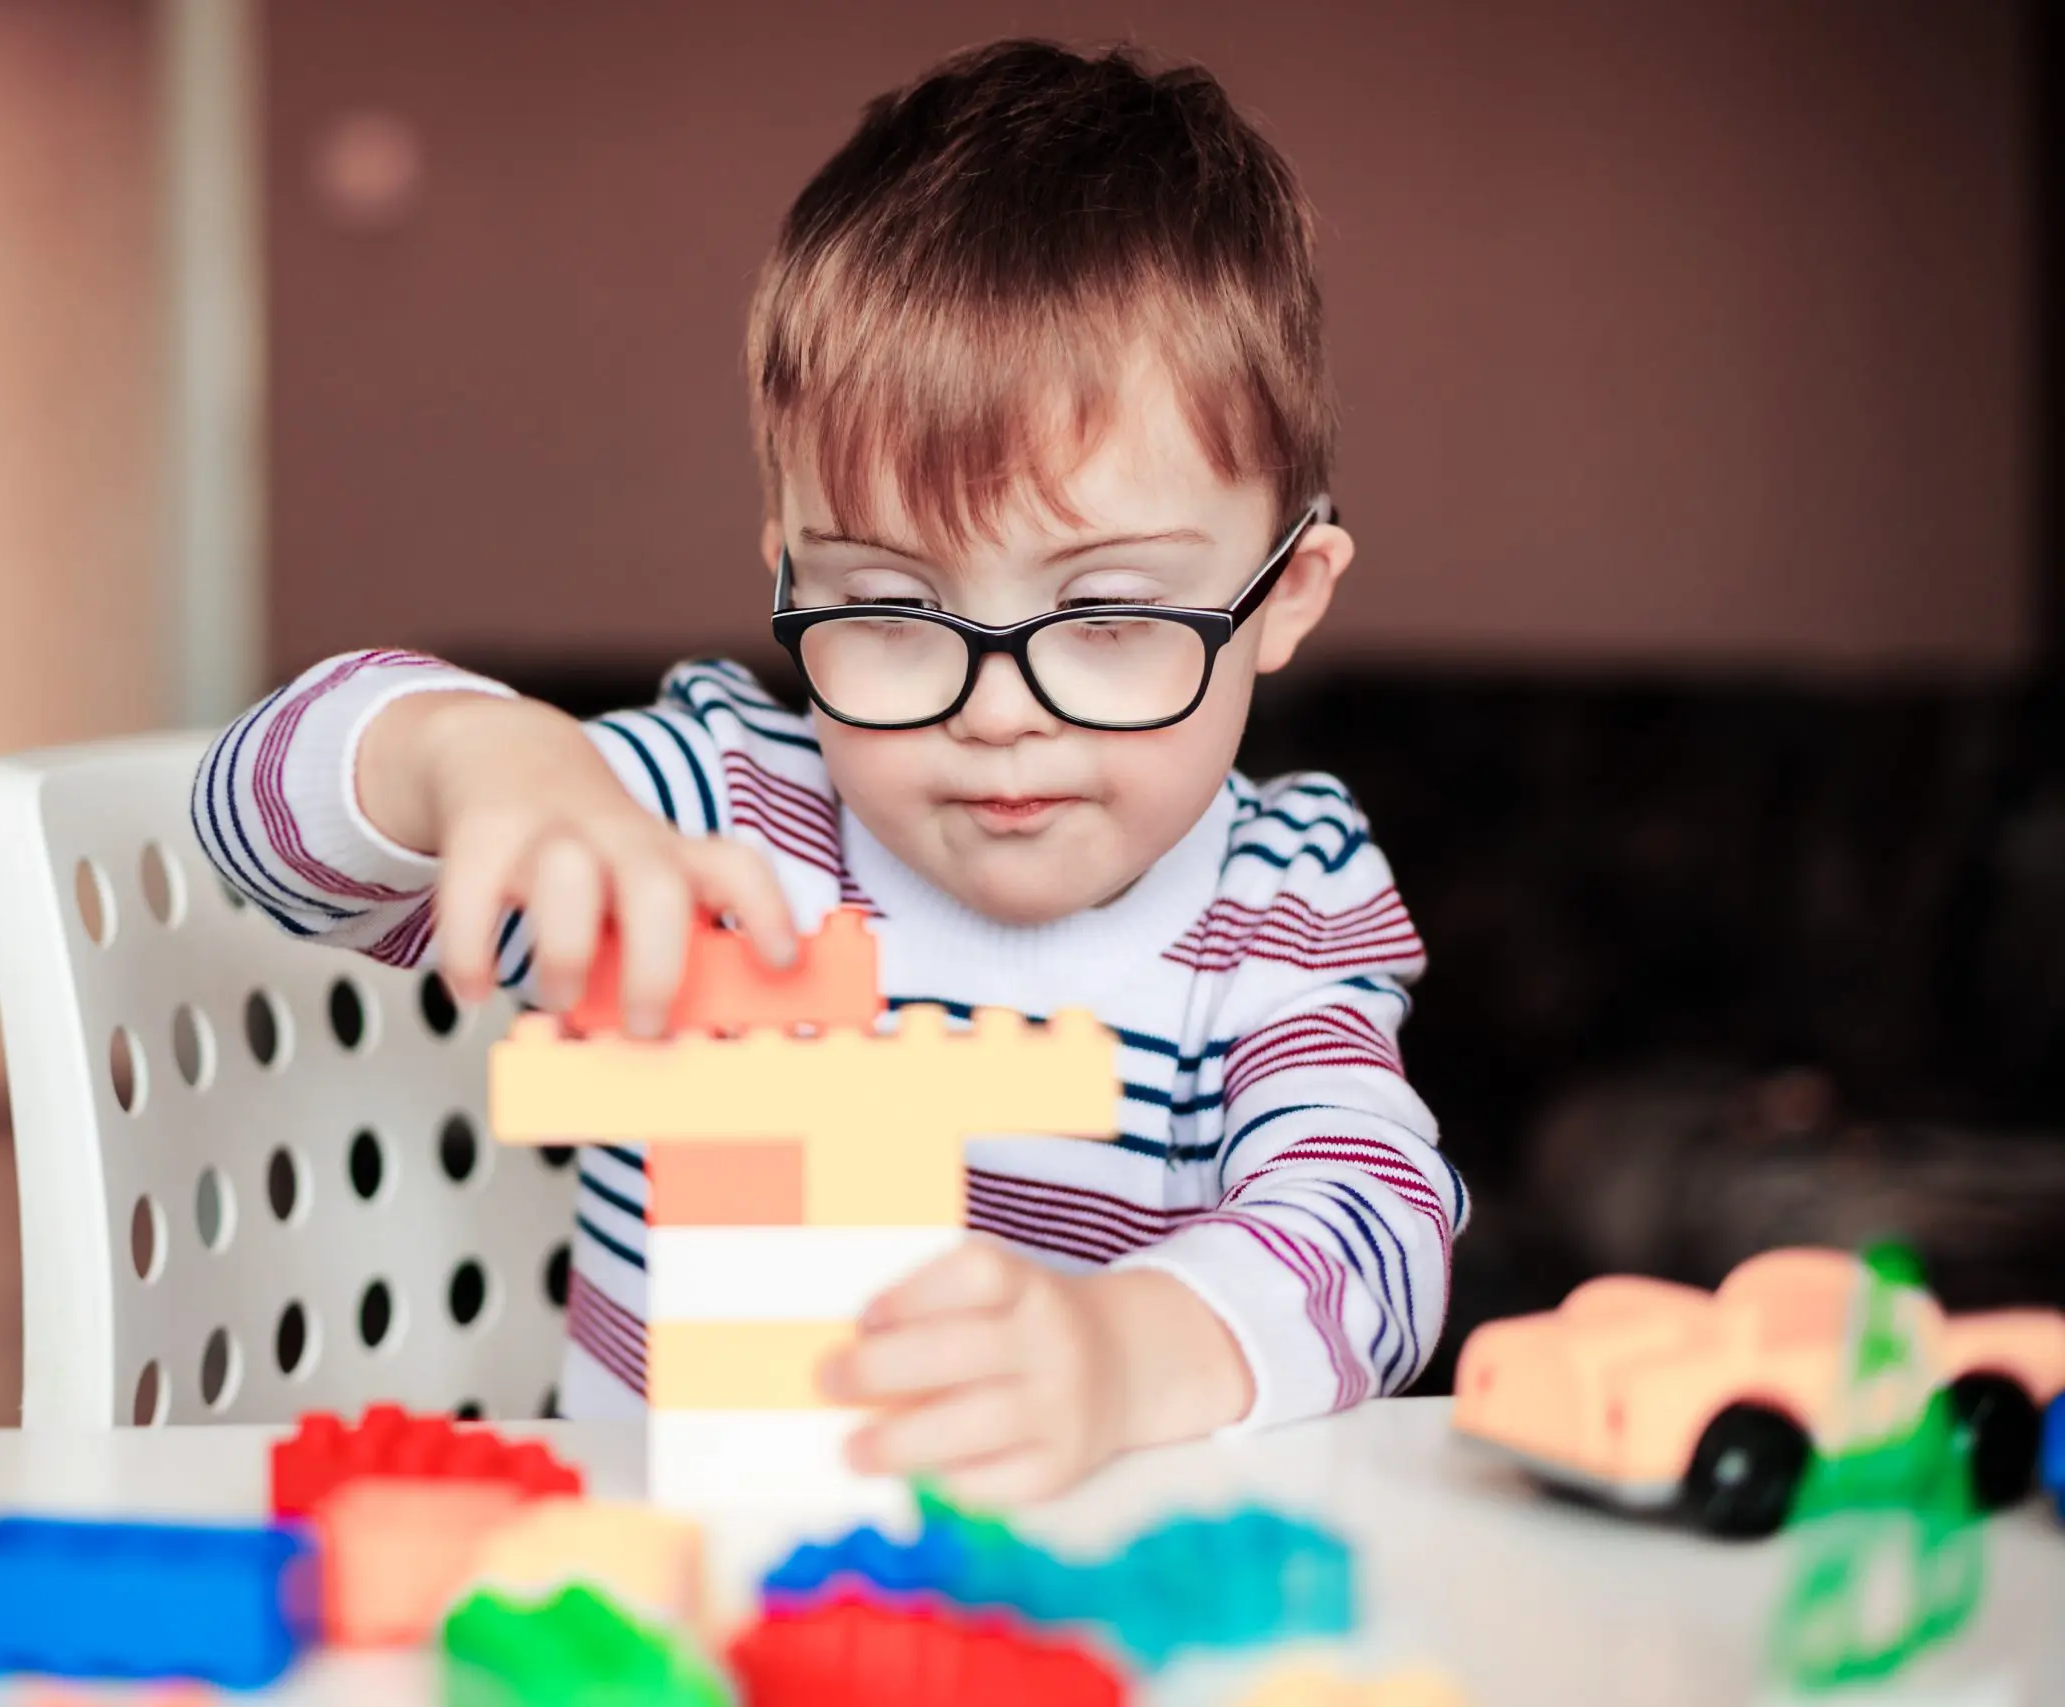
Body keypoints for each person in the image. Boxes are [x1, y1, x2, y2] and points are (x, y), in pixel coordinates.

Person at [194, 39, 1464, 1503]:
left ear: (1288, 594)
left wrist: (1122, 1355)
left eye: (1110, 617)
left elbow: (1374, 1220)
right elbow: (248, 827)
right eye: (895, 610)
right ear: (791, 572)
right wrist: (479, 758)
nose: (998, 715)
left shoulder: (1285, 899)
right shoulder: (712, 813)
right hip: (660, 1608)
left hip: (1067, 1610)